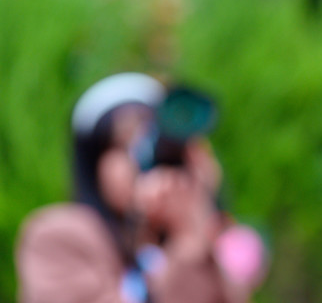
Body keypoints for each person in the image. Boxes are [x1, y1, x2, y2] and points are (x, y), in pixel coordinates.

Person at [16, 72, 266, 303]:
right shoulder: (59, 234)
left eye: (153, 146)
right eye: (125, 143)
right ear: (95, 163)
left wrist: (195, 226)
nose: (141, 162)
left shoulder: (199, 241)